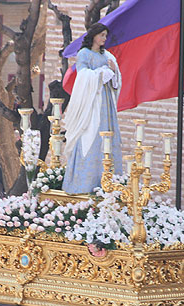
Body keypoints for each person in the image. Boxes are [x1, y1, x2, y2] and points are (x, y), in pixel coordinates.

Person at [62, 23, 122, 194]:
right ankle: (84, 185)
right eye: (101, 35)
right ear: (94, 35)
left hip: (105, 103)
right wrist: (101, 73)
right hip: (91, 103)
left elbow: (115, 79)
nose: (104, 38)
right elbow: (81, 75)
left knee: (107, 139)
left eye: (105, 36)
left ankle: (109, 185)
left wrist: (113, 72)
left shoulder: (107, 55)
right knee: (90, 135)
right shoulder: (84, 54)